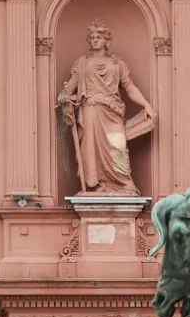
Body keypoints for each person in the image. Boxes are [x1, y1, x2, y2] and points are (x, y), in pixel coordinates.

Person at [57, 22, 154, 196]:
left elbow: (130, 88)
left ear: (106, 40)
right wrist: (64, 95)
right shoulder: (83, 63)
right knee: (91, 149)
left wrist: (146, 105)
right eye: (92, 38)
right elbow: (70, 87)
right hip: (90, 111)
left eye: (99, 37)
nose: (95, 41)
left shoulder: (117, 64)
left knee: (117, 146)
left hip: (112, 111)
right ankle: (98, 184)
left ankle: (124, 184)